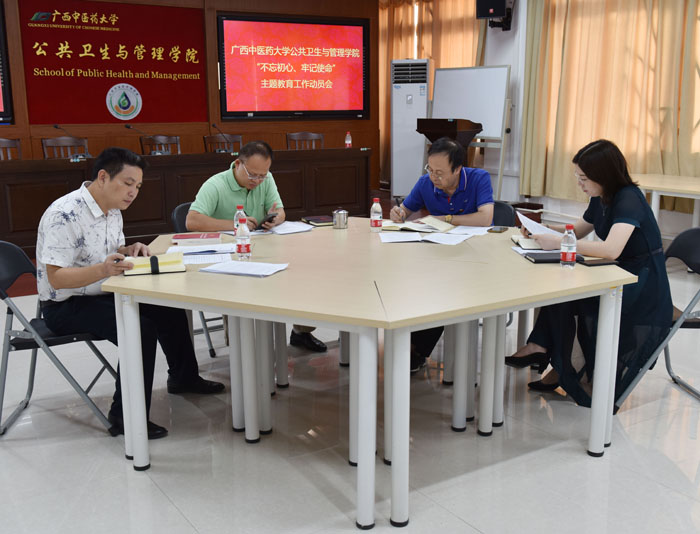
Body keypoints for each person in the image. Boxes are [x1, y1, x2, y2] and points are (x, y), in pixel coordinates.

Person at [36, 147, 225, 440]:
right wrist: (103, 269)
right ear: (103, 177)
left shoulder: (112, 210)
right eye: (127, 183)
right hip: (65, 305)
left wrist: (128, 250)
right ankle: (125, 416)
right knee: (139, 328)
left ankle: (183, 378)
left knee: (168, 306)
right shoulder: (64, 214)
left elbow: (107, 252)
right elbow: (56, 278)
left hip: (103, 290)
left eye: (138, 186)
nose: (133, 193)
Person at [505, 139, 672, 408]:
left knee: (569, 296)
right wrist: (542, 230)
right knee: (560, 290)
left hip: (641, 283)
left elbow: (611, 250)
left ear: (603, 175)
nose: (580, 184)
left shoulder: (628, 198)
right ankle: (554, 359)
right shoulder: (601, 196)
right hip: (615, 272)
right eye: (578, 177)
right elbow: (578, 231)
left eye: (584, 178)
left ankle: (553, 358)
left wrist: (558, 243)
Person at [186, 140, 327, 353]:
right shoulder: (215, 185)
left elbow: (280, 211)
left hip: (265, 249)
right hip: (231, 258)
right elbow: (192, 221)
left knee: (302, 274)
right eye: (253, 175)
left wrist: (276, 218)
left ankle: (301, 331)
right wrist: (236, 224)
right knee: (237, 289)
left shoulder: (266, 179)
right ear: (238, 164)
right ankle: (240, 351)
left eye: (262, 175)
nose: (258, 181)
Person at [390, 136, 495, 373]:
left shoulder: (478, 178)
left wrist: (445, 219)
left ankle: (416, 349)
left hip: (476, 258)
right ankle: (410, 344)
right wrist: (398, 214)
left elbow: (485, 218)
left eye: (440, 173)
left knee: (442, 290)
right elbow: (404, 211)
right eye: (430, 169)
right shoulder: (425, 182)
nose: (433, 177)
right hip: (438, 256)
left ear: (457, 169)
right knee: (422, 286)